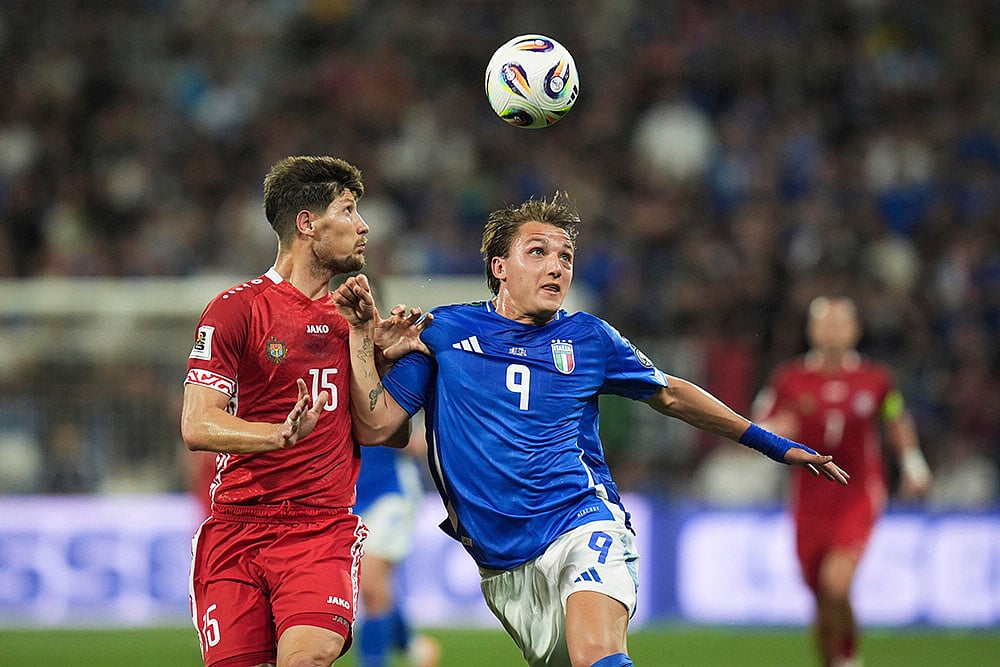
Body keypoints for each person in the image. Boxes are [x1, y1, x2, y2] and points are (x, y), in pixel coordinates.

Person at [332, 194, 850, 667]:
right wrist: (365, 342)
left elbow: (669, 393)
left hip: (582, 521)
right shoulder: (444, 331)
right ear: (500, 268)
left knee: (597, 655)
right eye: (537, 252)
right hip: (503, 564)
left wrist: (774, 445)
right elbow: (377, 427)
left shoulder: (589, 338)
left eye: (565, 257)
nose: (556, 266)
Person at [180, 155, 427, 667]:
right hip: (235, 531)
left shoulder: (352, 319)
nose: (364, 227)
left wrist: (371, 346)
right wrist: (278, 435)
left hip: (320, 530)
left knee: (307, 658)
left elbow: (384, 431)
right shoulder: (235, 310)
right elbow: (197, 424)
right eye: (349, 210)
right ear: (307, 224)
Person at [752, 296, 932, 667]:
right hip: (808, 500)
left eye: (840, 324)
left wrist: (913, 464)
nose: (833, 332)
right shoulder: (789, 379)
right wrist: (777, 430)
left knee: (837, 584)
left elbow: (896, 419)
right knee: (821, 595)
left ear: (855, 330)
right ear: (811, 330)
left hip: (857, 495)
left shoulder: (876, 380)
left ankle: (849, 658)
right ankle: (835, 660)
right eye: (825, 324)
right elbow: (759, 423)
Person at [354, 426, 441, 667]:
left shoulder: (384, 386)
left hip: (391, 490)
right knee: (377, 590)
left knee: (370, 586)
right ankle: (412, 646)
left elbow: (419, 432)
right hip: (354, 495)